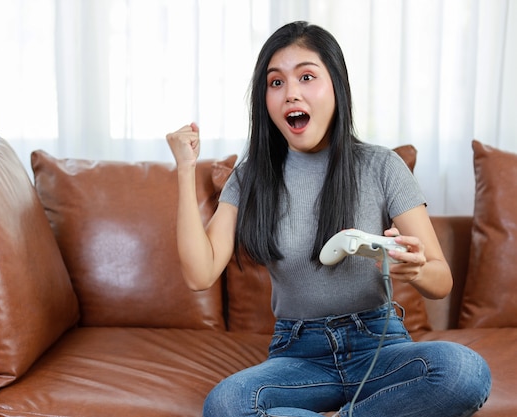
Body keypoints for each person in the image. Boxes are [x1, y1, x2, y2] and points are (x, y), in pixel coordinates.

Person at [166, 21, 491, 417]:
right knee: (227, 405)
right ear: (263, 99)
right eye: (276, 83)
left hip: (380, 344)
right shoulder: (250, 177)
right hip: (299, 354)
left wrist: (418, 268)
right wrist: (185, 169)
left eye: (306, 77)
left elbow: (440, 281)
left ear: (336, 84)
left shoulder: (382, 166)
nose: (291, 93)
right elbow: (199, 274)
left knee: (464, 370)